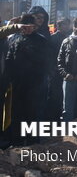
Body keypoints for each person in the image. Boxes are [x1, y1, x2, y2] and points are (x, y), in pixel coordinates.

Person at [4, 14, 51, 146]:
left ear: (34, 27)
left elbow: (45, 62)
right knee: (16, 113)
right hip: (17, 82)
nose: (28, 29)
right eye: (25, 27)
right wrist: (8, 79)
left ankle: (33, 141)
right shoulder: (14, 38)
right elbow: (9, 59)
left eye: (30, 27)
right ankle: (17, 140)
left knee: (33, 113)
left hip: (35, 83)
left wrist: (29, 52)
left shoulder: (41, 40)